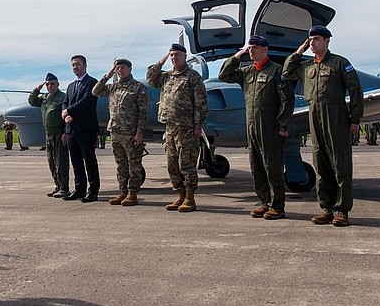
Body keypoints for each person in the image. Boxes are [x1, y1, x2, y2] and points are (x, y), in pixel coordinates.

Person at [282, 25, 363, 227]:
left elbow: (355, 90)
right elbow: (286, 71)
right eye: (310, 40)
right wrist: (299, 51)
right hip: (314, 115)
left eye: (317, 39)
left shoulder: (340, 63)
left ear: (327, 41)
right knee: (321, 163)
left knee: (340, 164)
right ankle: (326, 208)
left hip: (336, 115)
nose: (313, 43)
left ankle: (342, 210)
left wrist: (355, 119)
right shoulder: (307, 66)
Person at [218, 35, 293, 219]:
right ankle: (264, 202)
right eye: (250, 48)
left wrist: (282, 124)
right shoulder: (247, 72)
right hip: (252, 125)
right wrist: (237, 56)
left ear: (265, 50)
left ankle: (277, 206)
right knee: (256, 166)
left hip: (270, 126)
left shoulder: (277, 71)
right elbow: (224, 75)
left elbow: (287, 100)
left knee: (272, 166)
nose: (251, 51)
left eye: (255, 48)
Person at [147, 44, 207, 213]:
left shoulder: (192, 77)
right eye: (172, 55)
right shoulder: (166, 77)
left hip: (186, 127)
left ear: (185, 56)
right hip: (170, 127)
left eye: (177, 54)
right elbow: (151, 77)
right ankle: (180, 195)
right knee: (172, 164)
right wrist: (162, 60)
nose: (174, 57)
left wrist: (198, 125)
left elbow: (201, 103)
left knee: (186, 164)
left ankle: (190, 198)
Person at [92, 59, 149, 206]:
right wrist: (107, 76)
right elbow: (95, 91)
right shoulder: (113, 87)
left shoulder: (138, 87)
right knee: (121, 165)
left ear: (130, 68)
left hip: (131, 133)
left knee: (134, 165)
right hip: (116, 132)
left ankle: (133, 194)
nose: (120, 70)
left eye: (123, 67)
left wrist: (140, 132)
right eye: (118, 68)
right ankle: (123, 192)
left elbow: (143, 112)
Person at [61, 55, 101, 202]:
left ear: (85, 65)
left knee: (89, 161)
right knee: (76, 161)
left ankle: (93, 191)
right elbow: (65, 103)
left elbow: (87, 102)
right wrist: (66, 115)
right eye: (73, 65)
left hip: (86, 129)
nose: (75, 67)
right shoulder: (71, 86)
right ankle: (79, 189)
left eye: (77, 64)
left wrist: (69, 112)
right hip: (71, 129)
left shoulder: (92, 83)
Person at [28, 73, 70, 197]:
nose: (50, 86)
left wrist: (65, 132)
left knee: (61, 161)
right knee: (51, 161)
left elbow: (67, 116)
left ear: (58, 85)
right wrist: (37, 89)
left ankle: (65, 188)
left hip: (59, 133)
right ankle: (57, 186)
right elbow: (32, 101)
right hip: (48, 134)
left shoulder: (63, 98)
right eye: (48, 84)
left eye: (52, 84)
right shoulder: (45, 98)